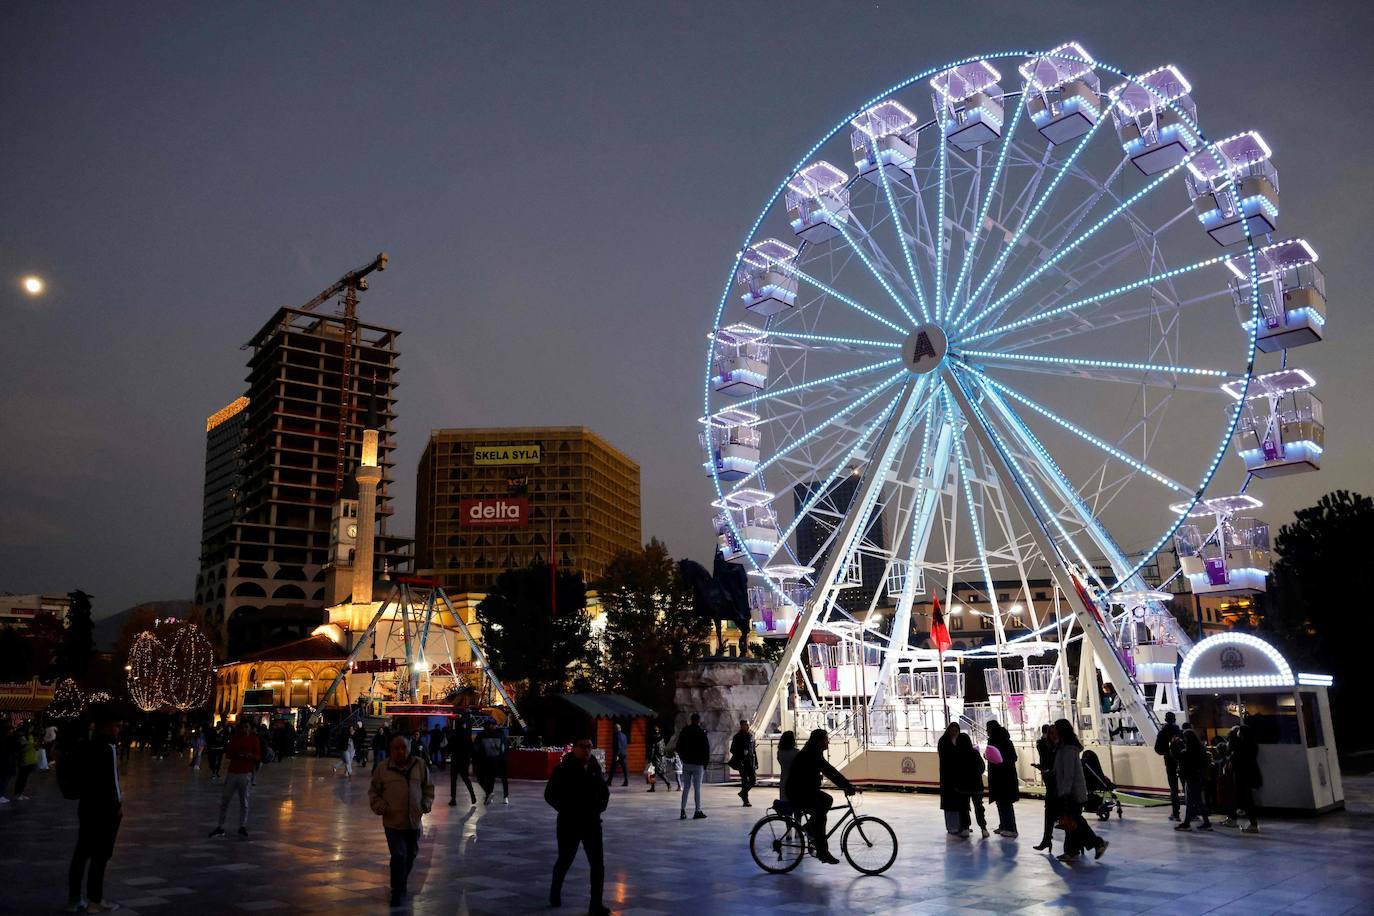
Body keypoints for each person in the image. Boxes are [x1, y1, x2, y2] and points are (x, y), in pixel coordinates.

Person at [66, 708, 124, 913]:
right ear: (109, 726)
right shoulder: (108, 748)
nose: (119, 729)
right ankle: (95, 901)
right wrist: (118, 805)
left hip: (87, 806)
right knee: (100, 856)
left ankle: (74, 900)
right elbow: (112, 783)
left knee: (81, 853)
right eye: (117, 725)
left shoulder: (87, 745)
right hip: (105, 810)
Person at [545, 735, 611, 915]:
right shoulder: (563, 768)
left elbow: (604, 791)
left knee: (598, 864)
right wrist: (566, 810)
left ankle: (596, 903)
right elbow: (550, 795)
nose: (587, 750)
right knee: (565, 859)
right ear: (574, 748)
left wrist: (599, 808)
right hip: (569, 823)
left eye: (590, 746)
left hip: (592, 822)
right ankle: (555, 892)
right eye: (583, 746)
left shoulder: (595, 767)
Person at [369, 735, 435, 907]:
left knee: (411, 854)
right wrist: (381, 806)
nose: (400, 751)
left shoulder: (419, 765)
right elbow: (373, 792)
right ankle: (397, 891)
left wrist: (426, 803)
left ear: (409, 748)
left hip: (413, 821)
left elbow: (428, 787)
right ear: (390, 750)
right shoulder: (383, 768)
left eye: (403, 748)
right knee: (398, 855)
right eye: (396, 748)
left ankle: (401, 882)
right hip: (393, 822)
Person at [783, 728, 857, 865]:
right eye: (825, 739)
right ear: (818, 741)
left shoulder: (813, 751)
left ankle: (808, 828)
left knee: (827, 800)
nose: (827, 742)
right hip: (798, 792)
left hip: (806, 790)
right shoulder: (811, 753)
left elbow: (829, 770)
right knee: (820, 814)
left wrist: (846, 785)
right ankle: (823, 852)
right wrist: (846, 786)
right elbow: (829, 771)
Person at [1052, 719, 1108, 862]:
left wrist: (1064, 792)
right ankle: (1072, 850)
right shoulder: (1064, 747)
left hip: (1072, 792)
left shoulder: (1068, 749)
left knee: (1076, 822)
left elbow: (1069, 774)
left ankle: (1097, 843)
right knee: (1072, 822)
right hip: (1071, 791)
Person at [209, 720, 261, 839]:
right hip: (233, 772)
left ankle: (242, 826)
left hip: (245, 773)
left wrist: (248, 755)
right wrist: (236, 754)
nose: (245, 730)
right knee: (225, 800)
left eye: (247, 727)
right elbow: (228, 753)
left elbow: (258, 756)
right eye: (243, 727)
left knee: (244, 801)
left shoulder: (254, 739)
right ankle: (220, 826)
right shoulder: (235, 738)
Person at [1174, 725, 1213, 831]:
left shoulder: (1188, 752)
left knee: (1192, 801)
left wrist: (1174, 744)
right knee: (1196, 800)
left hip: (1190, 778)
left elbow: (1178, 756)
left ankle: (1189, 823)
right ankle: (1203, 822)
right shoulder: (1199, 750)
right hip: (1197, 777)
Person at [985, 720, 1019, 838]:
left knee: (1004, 802)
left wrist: (995, 757)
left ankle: (1010, 828)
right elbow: (1013, 757)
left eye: (988, 729)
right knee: (1001, 802)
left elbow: (1011, 757)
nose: (987, 732)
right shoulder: (1005, 740)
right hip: (1004, 776)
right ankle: (1004, 825)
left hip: (1002, 777)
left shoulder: (998, 741)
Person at [1227, 725, 1262, 834]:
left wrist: (1232, 734)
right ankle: (1253, 823)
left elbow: (1232, 753)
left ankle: (1253, 824)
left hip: (1242, 776)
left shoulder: (1241, 747)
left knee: (1247, 800)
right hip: (1251, 775)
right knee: (1249, 800)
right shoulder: (1252, 745)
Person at [675, 713, 710, 820]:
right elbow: (706, 749)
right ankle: (697, 811)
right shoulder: (701, 732)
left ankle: (682, 811)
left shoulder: (685, 731)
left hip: (687, 763)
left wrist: (683, 758)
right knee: (697, 789)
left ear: (691, 720)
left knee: (686, 787)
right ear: (699, 720)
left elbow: (678, 746)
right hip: (698, 764)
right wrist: (705, 764)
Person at [955, 732, 988, 838]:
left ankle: (965, 828)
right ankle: (983, 828)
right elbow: (982, 768)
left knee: (964, 807)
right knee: (979, 807)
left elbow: (955, 771)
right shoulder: (975, 753)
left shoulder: (957, 754)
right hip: (977, 785)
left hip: (963, 786)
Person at [937, 723, 968, 836]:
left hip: (958, 778)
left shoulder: (959, 741)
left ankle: (961, 824)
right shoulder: (944, 741)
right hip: (948, 777)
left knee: (959, 803)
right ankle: (952, 826)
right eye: (953, 730)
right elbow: (946, 758)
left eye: (956, 730)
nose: (954, 733)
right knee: (950, 803)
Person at [1153, 710, 1183, 820]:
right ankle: (1193, 811)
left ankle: (1176, 812)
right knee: (1186, 786)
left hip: (1170, 762)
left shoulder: (1163, 732)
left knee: (1173, 787)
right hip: (1182, 761)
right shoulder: (1179, 730)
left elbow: (1157, 749)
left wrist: (1167, 753)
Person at [1033, 724, 1056, 851]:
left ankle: (1047, 839)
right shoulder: (1051, 747)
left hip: (1060, 786)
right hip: (1054, 784)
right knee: (1049, 812)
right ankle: (1046, 839)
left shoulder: (1058, 749)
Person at [476, 722, 509, 805]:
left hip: (493, 760)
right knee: (494, 779)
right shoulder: (499, 734)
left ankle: (493, 795)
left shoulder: (484, 735)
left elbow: (504, 747)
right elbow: (504, 747)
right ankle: (494, 795)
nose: (494, 726)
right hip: (496, 760)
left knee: (492, 779)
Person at [447, 717, 477, 806]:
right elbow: (471, 747)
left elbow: (450, 747)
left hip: (455, 759)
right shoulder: (467, 734)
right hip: (464, 760)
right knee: (466, 778)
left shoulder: (453, 734)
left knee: (453, 780)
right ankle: (473, 795)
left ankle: (453, 799)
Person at [728, 719, 758, 807]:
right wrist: (741, 752)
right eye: (746, 725)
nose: (748, 726)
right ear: (741, 726)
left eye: (748, 725)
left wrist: (756, 762)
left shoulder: (751, 736)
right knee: (744, 781)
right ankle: (746, 800)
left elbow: (754, 751)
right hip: (742, 763)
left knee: (753, 780)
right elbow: (732, 749)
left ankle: (743, 792)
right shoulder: (737, 737)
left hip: (750, 762)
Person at [12, 723, 39, 800]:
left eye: (32, 728)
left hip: (31, 759)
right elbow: (23, 748)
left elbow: (33, 746)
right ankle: (17, 794)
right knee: (21, 778)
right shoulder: (21, 737)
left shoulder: (30, 736)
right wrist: (32, 745)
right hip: (25, 760)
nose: (32, 729)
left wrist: (35, 746)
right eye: (31, 728)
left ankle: (20, 793)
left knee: (24, 779)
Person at [775, 730, 798, 803]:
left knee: (784, 799)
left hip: (784, 777)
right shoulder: (796, 752)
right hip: (794, 778)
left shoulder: (780, 752)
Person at [605, 722, 629, 788]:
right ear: (620, 728)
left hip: (618, 754)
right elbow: (625, 745)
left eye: (614, 728)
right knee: (624, 769)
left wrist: (617, 755)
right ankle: (626, 781)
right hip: (624, 753)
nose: (614, 729)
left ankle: (609, 782)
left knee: (613, 768)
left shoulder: (615, 735)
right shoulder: (624, 735)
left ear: (615, 729)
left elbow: (618, 745)